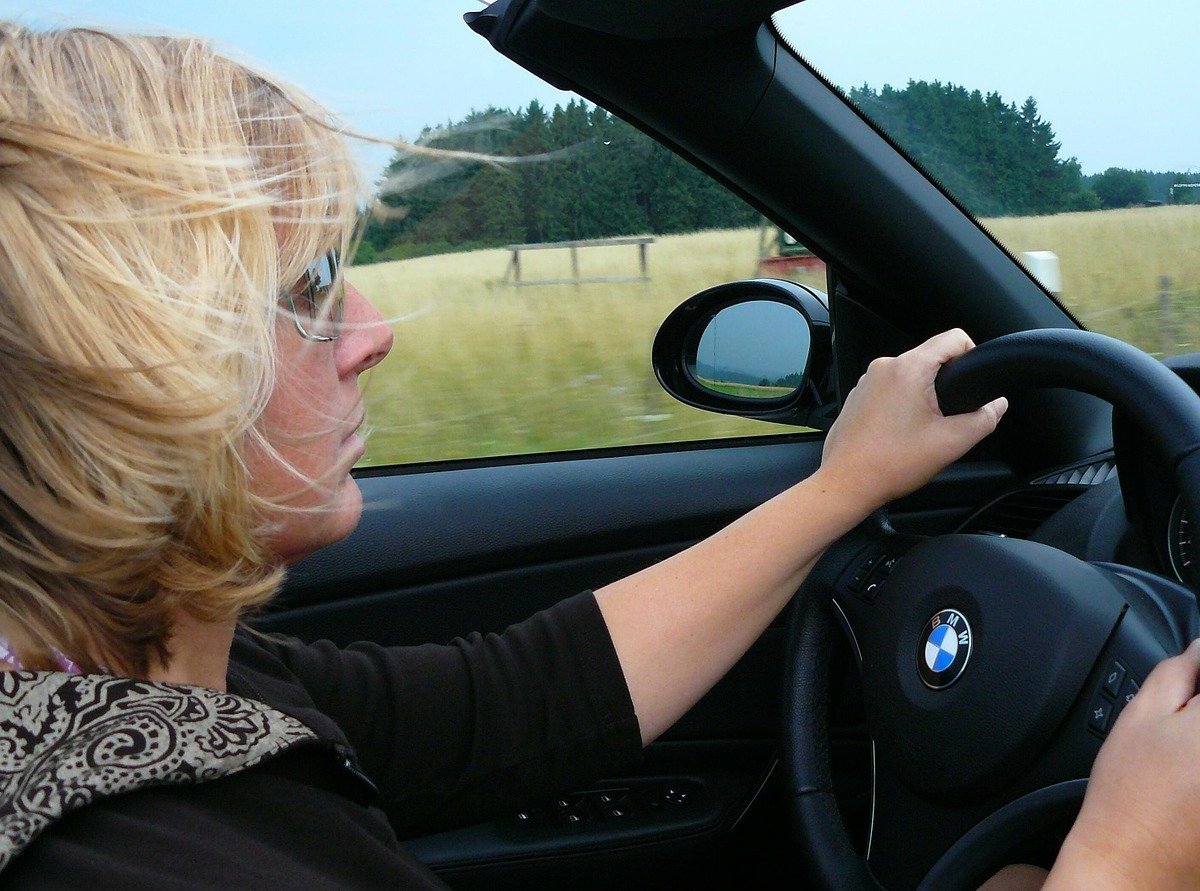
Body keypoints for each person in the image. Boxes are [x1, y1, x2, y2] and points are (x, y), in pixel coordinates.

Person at [0, 21, 1193, 890]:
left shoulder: (161, 678)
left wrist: (846, 486)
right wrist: (1122, 867)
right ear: (132, 376)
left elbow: (520, 704)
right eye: (307, 289)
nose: (371, 333)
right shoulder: (132, 860)